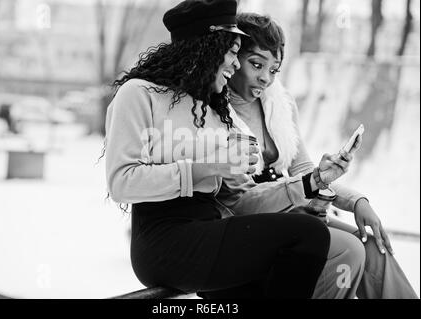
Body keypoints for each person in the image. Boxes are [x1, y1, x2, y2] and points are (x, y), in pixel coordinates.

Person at [104, 0, 334, 298]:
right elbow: (121, 183)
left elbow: (239, 198)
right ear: (206, 48)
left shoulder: (213, 109)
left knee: (285, 255)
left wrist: (305, 186)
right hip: (164, 241)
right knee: (308, 235)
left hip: (212, 232)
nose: (236, 64)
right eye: (231, 51)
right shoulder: (138, 94)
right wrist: (210, 165)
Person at [216, 12, 418, 299]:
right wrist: (311, 185)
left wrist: (356, 200)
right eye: (256, 64)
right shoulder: (216, 113)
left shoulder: (278, 106)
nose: (265, 78)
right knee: (348, 251)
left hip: (289, 208)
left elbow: (304, 170)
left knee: (374, 247)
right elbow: (240, 202)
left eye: (274, 70)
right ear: (234, 59)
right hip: (249, 222)